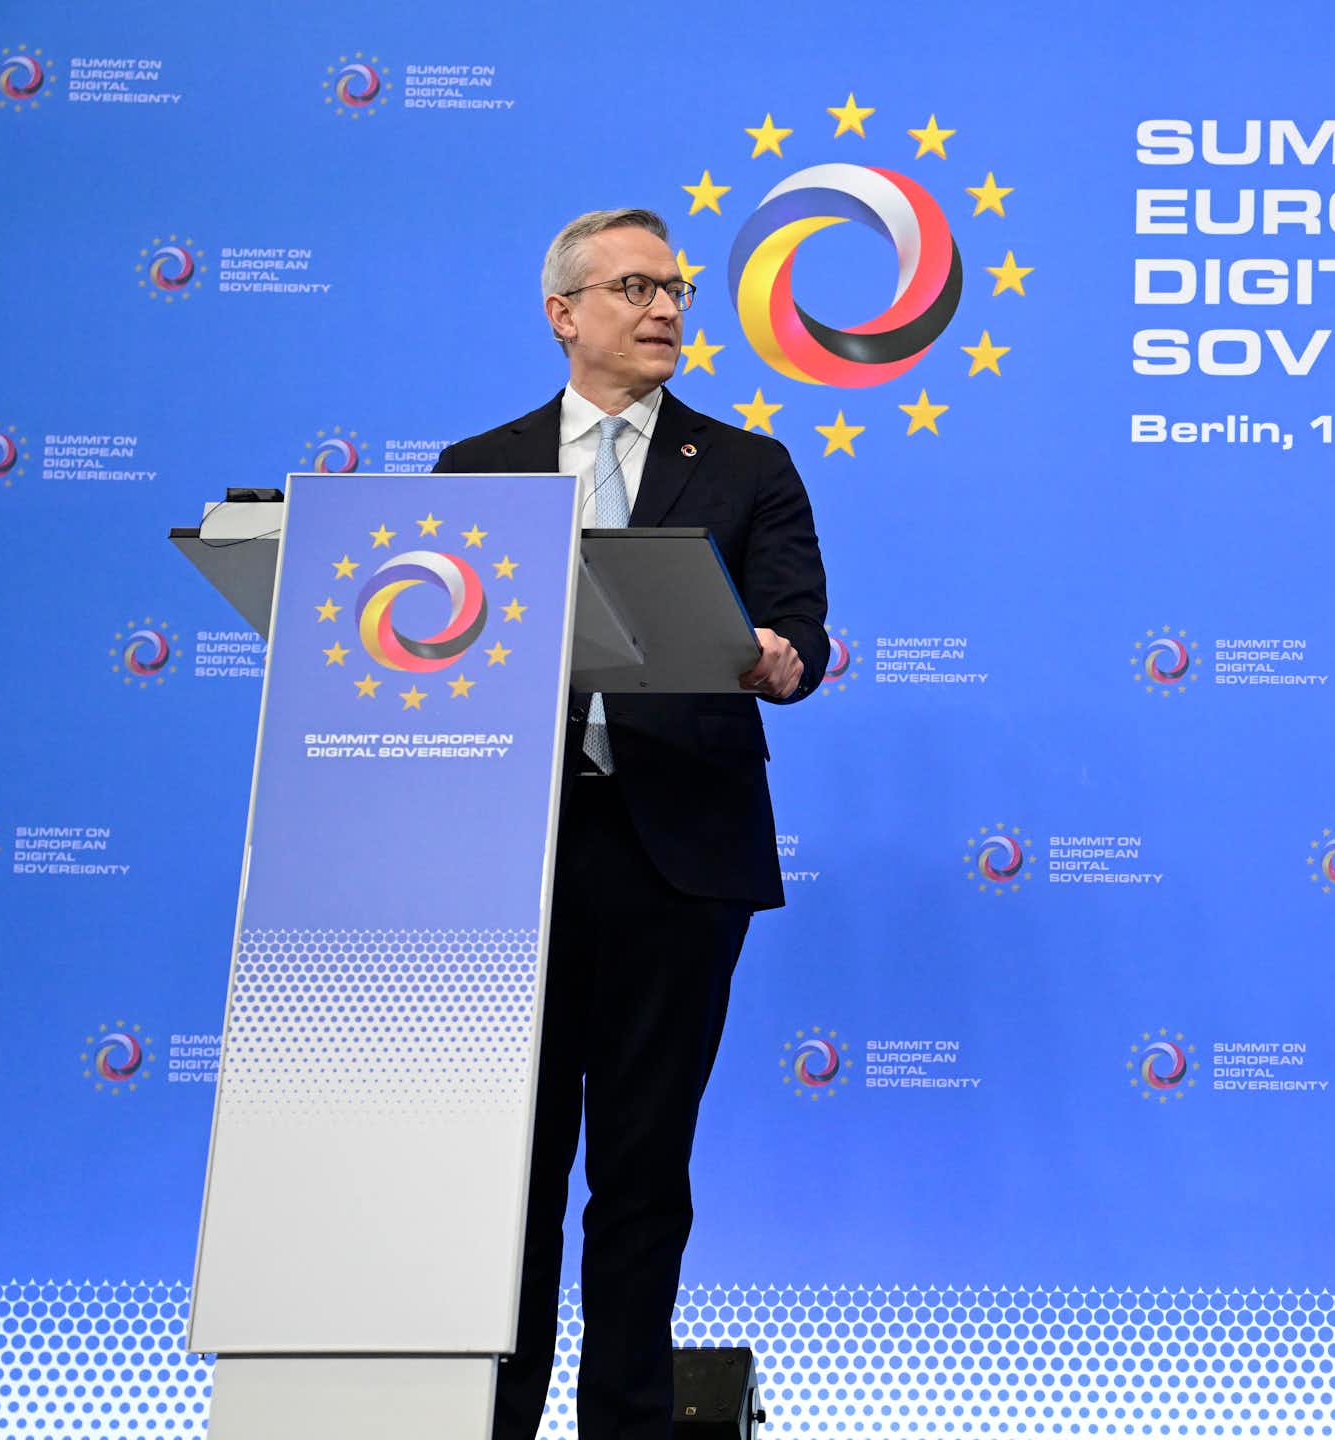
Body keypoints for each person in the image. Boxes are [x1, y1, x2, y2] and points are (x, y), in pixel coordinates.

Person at [434, 206, 831, 1440]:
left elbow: (801, 630)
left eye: (675, 289)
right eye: (634, 288)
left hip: (678, 856)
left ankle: (623, 1423)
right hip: (516, 857)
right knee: (512, 1174)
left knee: (643, 1168)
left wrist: (785, 657)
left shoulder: (748, 464)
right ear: (563, 314)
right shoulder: (477, 469)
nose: (664, 309)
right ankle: (491, 1418)